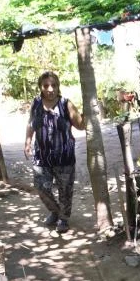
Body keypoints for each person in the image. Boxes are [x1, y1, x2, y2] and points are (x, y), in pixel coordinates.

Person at [23, 71, 85, 234]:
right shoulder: (36, 103)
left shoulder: (66, 104)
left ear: (58, 86)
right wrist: (28, 141)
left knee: (65, 190)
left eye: (54, 85)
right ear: (40, 87)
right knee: (41, 187)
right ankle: (55, 211)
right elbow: (31, 123)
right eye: (46, 86)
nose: (50, 89)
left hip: (64, 156)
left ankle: (63, 218)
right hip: (42, 156)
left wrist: (87, 113)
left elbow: (80, 125)